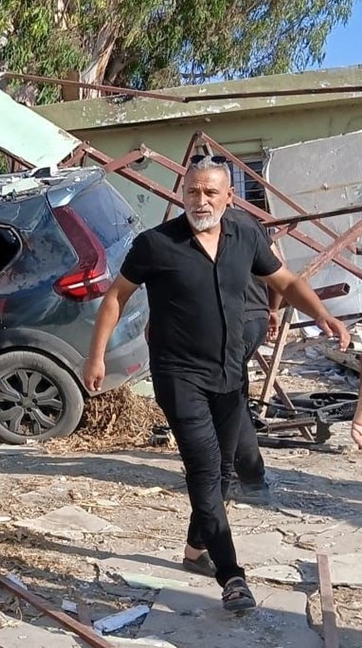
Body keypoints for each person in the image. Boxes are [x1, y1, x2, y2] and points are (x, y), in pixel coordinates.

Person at [82, 155, 350, 612]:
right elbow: (115, 296)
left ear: (229, 196)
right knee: (206, 470)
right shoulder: (156, 245)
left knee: (223, 472)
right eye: (192, 191)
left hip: (230, 374)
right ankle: (232, 576)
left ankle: (194, 551)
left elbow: (283, 279)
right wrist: (96, 355)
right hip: (177, 374)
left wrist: (321, 313)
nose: (200, 200)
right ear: (182, 194)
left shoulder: (246, 233)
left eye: (210, 192)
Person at [223, 206, 282, 506]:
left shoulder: (201, 227)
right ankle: (235, 471)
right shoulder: (252, 223)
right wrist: (272, 309)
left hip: (235, 323)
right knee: (234, 392)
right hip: (256, 318)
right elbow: (277, 270)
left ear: (228, 192)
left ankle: (252, 479)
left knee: (230, 399)